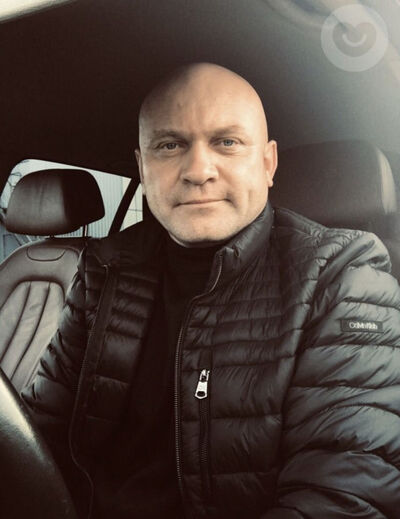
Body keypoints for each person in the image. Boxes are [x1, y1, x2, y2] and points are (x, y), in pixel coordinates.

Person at [22, 62, 400, 518]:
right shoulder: (105, 269)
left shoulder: (340, 276)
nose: (198, 170)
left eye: (227, 142)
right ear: (142, 167)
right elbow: (37, 437)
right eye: (169, 145)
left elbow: (344, 494)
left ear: (268, 163)